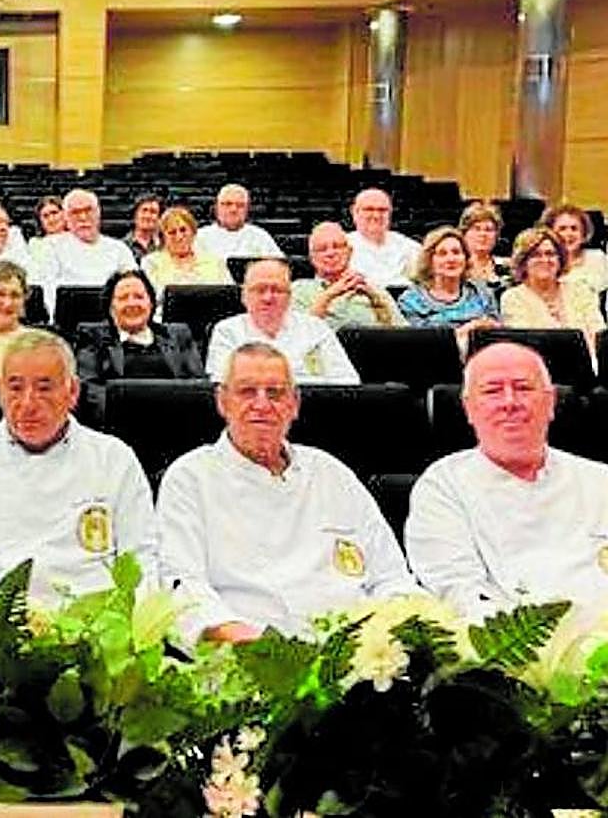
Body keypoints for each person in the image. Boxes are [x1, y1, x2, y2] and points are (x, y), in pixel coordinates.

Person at [158, 342, 419, 642]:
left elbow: (391, 576)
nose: (261, 404)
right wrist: (257, 647)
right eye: (246, 391)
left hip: (359, 660)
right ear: (222, 401)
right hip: (249, 659)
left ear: (294, 404)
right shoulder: (190, 478)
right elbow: (184, 588)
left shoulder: (331, 472)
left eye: (275, 393)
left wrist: (393, 633)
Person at [0, 329, 159, 600]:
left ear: (73, 392)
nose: (27, 403)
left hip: (95, 625)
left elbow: (143, 560)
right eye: (15, 388)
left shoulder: (114, 460)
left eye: (44, 388)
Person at [406, 342, 608, 619]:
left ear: (550, 403)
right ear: (469, 409)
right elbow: (458, 592)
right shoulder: (444, 486)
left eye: (523, 388)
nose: (510, 402)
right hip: (510, 647)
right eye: (492, 391)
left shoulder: (599, 480)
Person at [206, 258, 359, 385]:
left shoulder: (316, 329)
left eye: (277, 290)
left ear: (290, 296)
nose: (268, 298)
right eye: (259, 289)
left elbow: (347, 382)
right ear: (244, 296)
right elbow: (222, 385)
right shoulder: (227, 331)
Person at [76, 269, 203, 411]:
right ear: (111, 308)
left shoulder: (178, 335)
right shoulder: (93, 337)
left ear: (151, 304)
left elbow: (198, 386)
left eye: (139, 297)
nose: (132, 304)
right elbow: (89, 390)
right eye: (123, 298)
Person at [500, 226, 605, 352]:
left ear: (560, 259)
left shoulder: (580, 290)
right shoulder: (513, 298)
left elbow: (599, 334)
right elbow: (525, 347)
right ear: (523, 261)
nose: (545, 260)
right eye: (536, 255)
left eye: (550, 254)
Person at [33, 189, 136, 314]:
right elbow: (47, 291)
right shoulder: (50, 246)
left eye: (88, 210)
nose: (83, 217)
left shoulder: (119, 249)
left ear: (98, 213)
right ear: (66, 217)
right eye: (75, 212)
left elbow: (134, 286)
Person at [397, 226, 500, 347]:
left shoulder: (482, 294)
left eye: (456, 252)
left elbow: (497, 333)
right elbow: (418, 345)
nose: (451, 259)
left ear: (466, 258)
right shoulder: (411, 300)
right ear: (429, 261)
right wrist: (467, 330)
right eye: (442, 254)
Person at [291, 221, 404, 329]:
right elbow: (300, 336)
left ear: (349, 252)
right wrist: (329, 295)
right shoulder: (298, 290)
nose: (330, 253)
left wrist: (379, 303)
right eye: (322, 249)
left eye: (337, 246)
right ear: (312, 258)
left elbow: (404, 336)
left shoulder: (375, 290)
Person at [140, 206, 230, 305]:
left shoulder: (216, 262)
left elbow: (229, 294)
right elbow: (154, 298)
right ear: (163, 238)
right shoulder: (151, 263)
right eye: (172, 233)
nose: (179, 237)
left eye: (183, 230)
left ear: (193, 232)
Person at [346, 188, 420, 288]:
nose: (376, 215)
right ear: (354, 212)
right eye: (369, 209)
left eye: (382, 210)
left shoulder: (409, 247)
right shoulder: (342, 246)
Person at [193, 183, 283, 260]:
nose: (233, 209)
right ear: (216, 208)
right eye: (228, 204)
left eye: (240, 205)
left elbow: (278, 266)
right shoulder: (200, 237)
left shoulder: (260, 237)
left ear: (247, 209)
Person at [539, 203, 608, 294]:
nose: (569, 234)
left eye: (574, 228)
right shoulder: (542, 260)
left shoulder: (597, 258)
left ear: (584, 233)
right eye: (562, 229)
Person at [458, 201, 511, 288]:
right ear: (464, 234)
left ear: (497, 235)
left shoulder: (508, 267)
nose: (483, 234)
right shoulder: (455, 266)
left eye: (489, 229)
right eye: (477, 229)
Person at [123, 195, 163, 262]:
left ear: (159, 219)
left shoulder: (165, 247)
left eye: (153, 212)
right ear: (135, 215)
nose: (147, 216)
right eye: (144, 210)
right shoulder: (122, 246)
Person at [27, 195, 65, 261]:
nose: (51, 219)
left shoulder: (77, 240)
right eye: (45, 216)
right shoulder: (36, 245)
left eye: (54, 213)